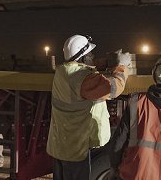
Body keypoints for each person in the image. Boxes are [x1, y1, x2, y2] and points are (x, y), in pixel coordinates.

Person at [47, 35, 131, 180]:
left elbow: (79, 69)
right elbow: (113, 88)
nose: (93, 55)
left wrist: (101, 64)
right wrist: (120, 67)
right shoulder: (83, 79)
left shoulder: (62, 72)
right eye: (90, 54)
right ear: (83, 56)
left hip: (61, 146)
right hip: (76, 151)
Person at [110, 53, 161, 180]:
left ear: (154, 73)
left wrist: (115, 169)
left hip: (132, 176)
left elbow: (118, 143)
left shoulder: (136, 102)